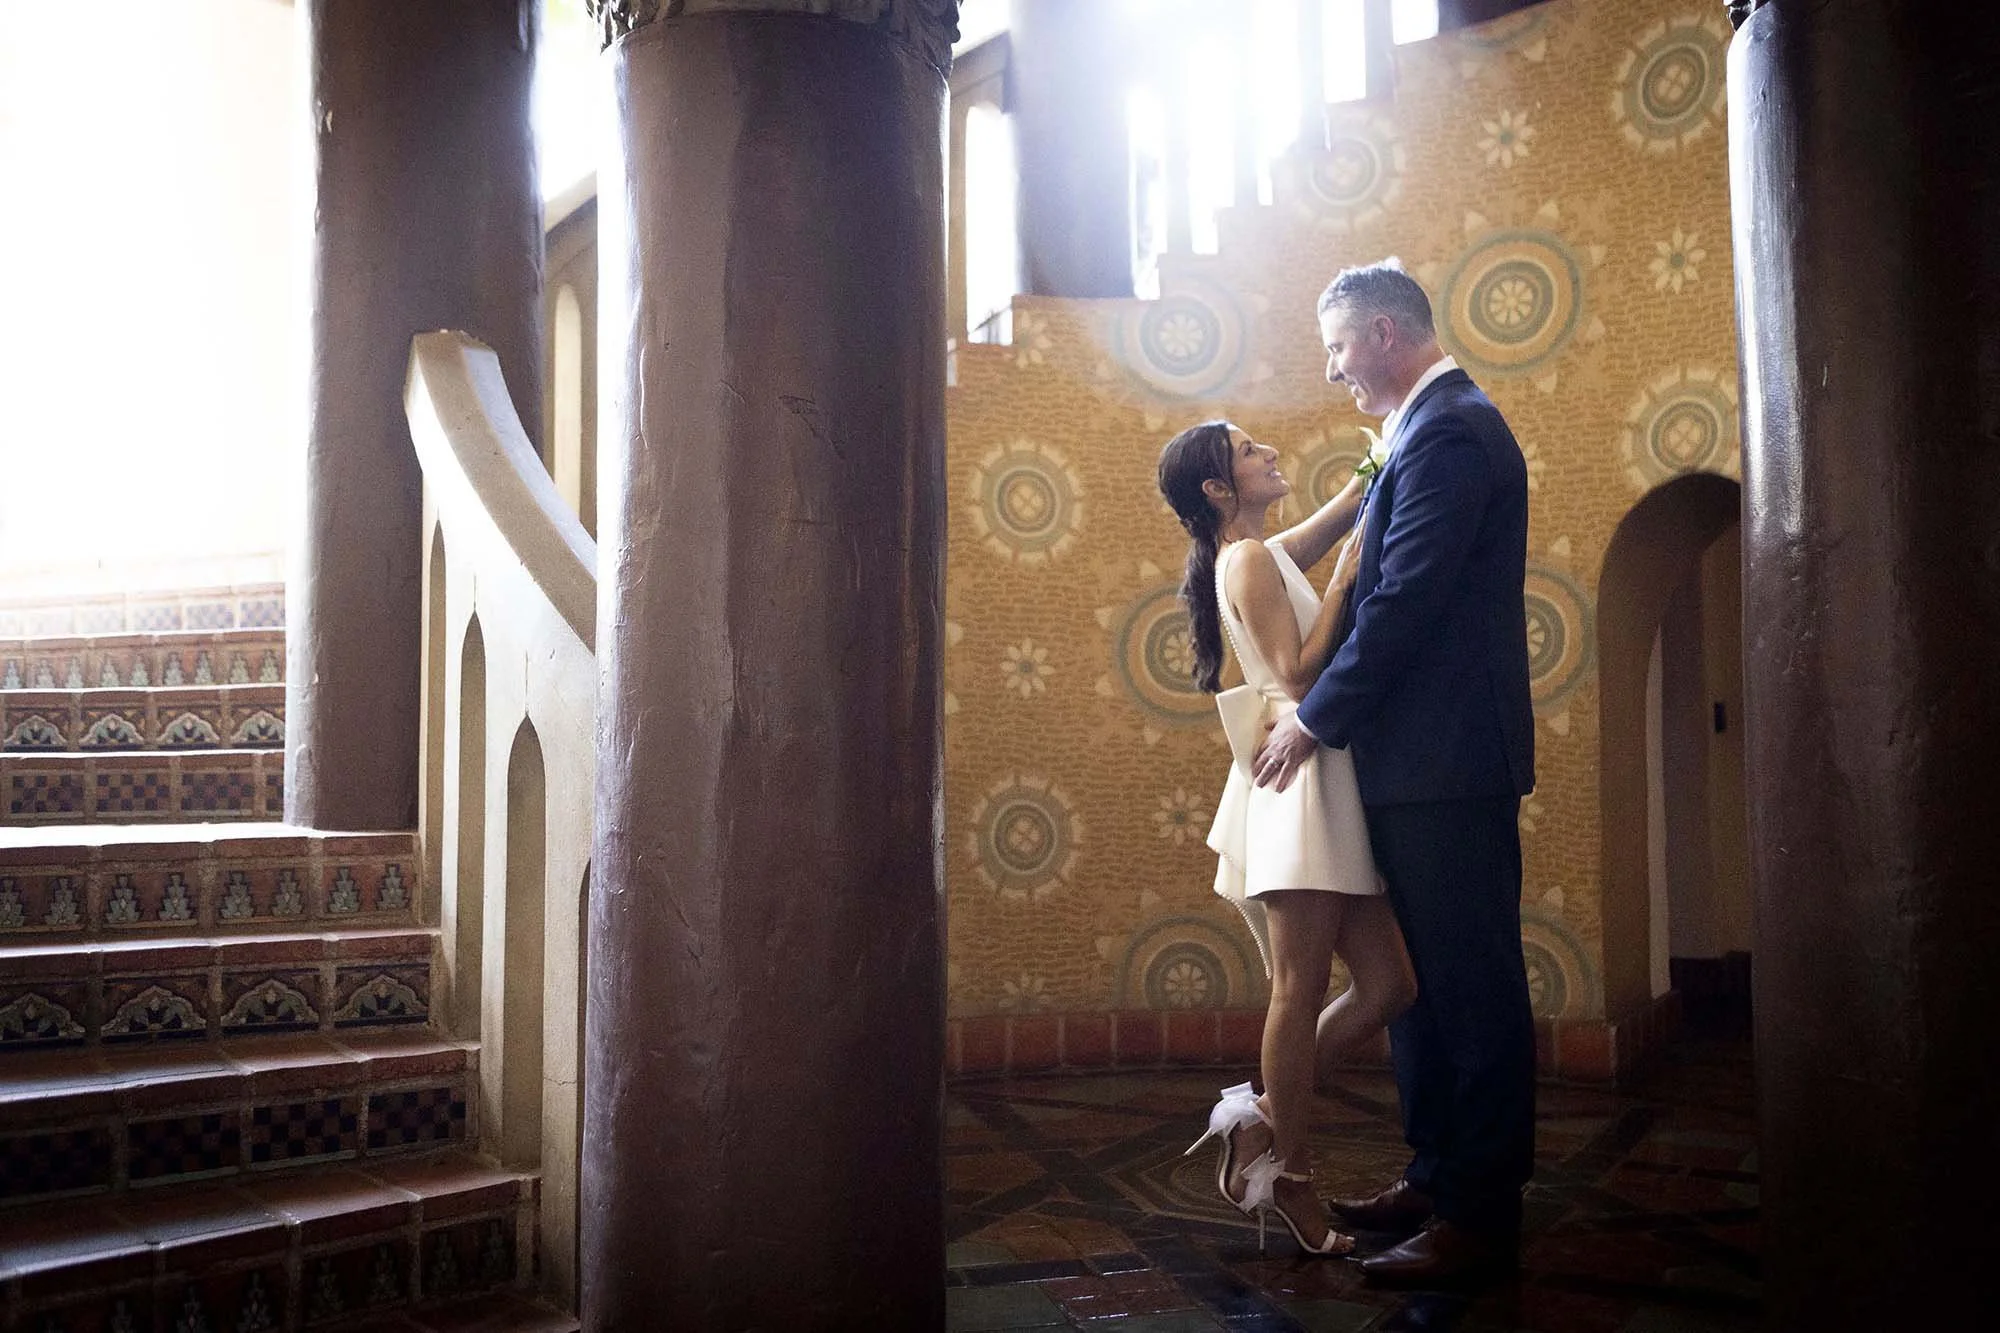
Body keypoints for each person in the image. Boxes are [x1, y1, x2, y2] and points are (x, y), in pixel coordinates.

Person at [1254, 261, 1537, 1286]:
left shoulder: (1452, 427)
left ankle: (1478, 1212)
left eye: (1334, 347)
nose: (1330, 369)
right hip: (1410, 762)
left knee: (1470, 990)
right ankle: (1431, 1175)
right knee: (1412, 989)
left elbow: (1405, 603)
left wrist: (1313, 722)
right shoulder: (1416, 433)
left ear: (1381, 334)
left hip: (1447, 764)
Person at [1158, 419, 1418, 1257]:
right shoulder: (1247, 560)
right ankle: (1293, 1174)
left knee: (1390, 986)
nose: (1269, 449)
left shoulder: (1261, 551)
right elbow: (1299, 673)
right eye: (1247, 450)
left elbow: (1345, 511)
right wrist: (1346, 579)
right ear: (1217, 488)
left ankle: (1260, 1117)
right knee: (1298, 989)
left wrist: (1383, 457)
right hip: (1295, 785)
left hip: (1321, 776)